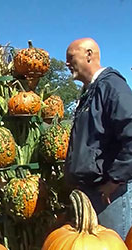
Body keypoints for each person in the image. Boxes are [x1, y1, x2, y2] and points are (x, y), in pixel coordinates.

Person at [64, 38, 132, 240]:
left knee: (113, 244)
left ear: (88, 54)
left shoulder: (112, 86)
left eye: (70, 57)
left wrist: (115, 179)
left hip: (110, 194)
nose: (67, 63)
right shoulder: (90, 92)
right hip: (91, 191)